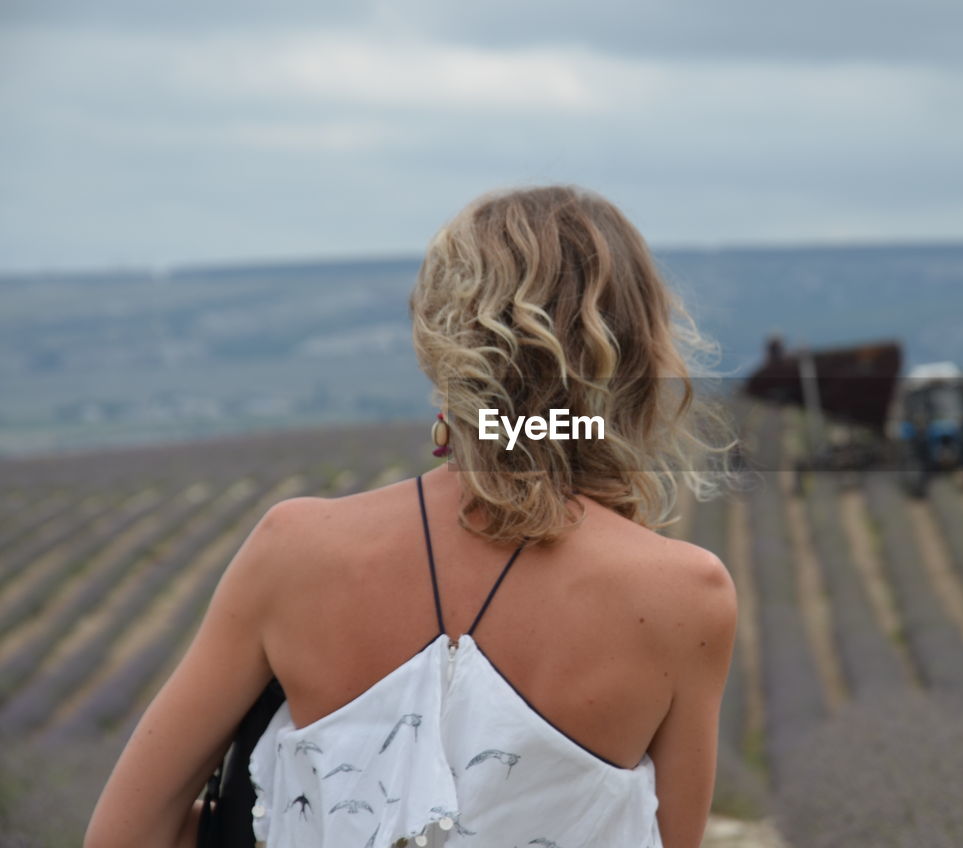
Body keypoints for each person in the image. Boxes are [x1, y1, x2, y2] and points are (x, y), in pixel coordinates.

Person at [85, 185, 739, 848]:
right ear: (635, 355)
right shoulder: (685, 596)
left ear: (444, 340)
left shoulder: (294, 549)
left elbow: (122, 836)